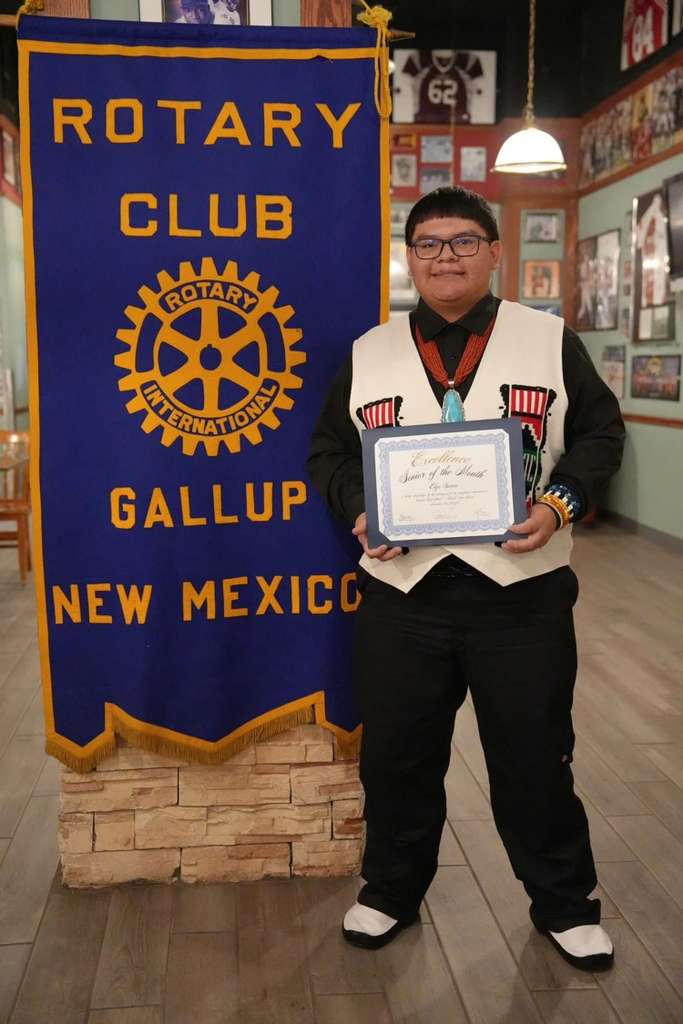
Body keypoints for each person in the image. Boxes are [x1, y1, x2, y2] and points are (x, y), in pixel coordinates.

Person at [307, 186, 625, 972]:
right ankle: (388, 890)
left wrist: (556, 505)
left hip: (521, 592)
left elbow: (599, 432)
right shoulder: (369, 349)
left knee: (532, 754)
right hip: (400, 594)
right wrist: (358, 510)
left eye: (461, 241)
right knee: (396, 756)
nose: (443, 256)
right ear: (408, 257)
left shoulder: (548, 340)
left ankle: (564, 903)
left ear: (493, 252)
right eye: (427, 244)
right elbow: (329, 454)